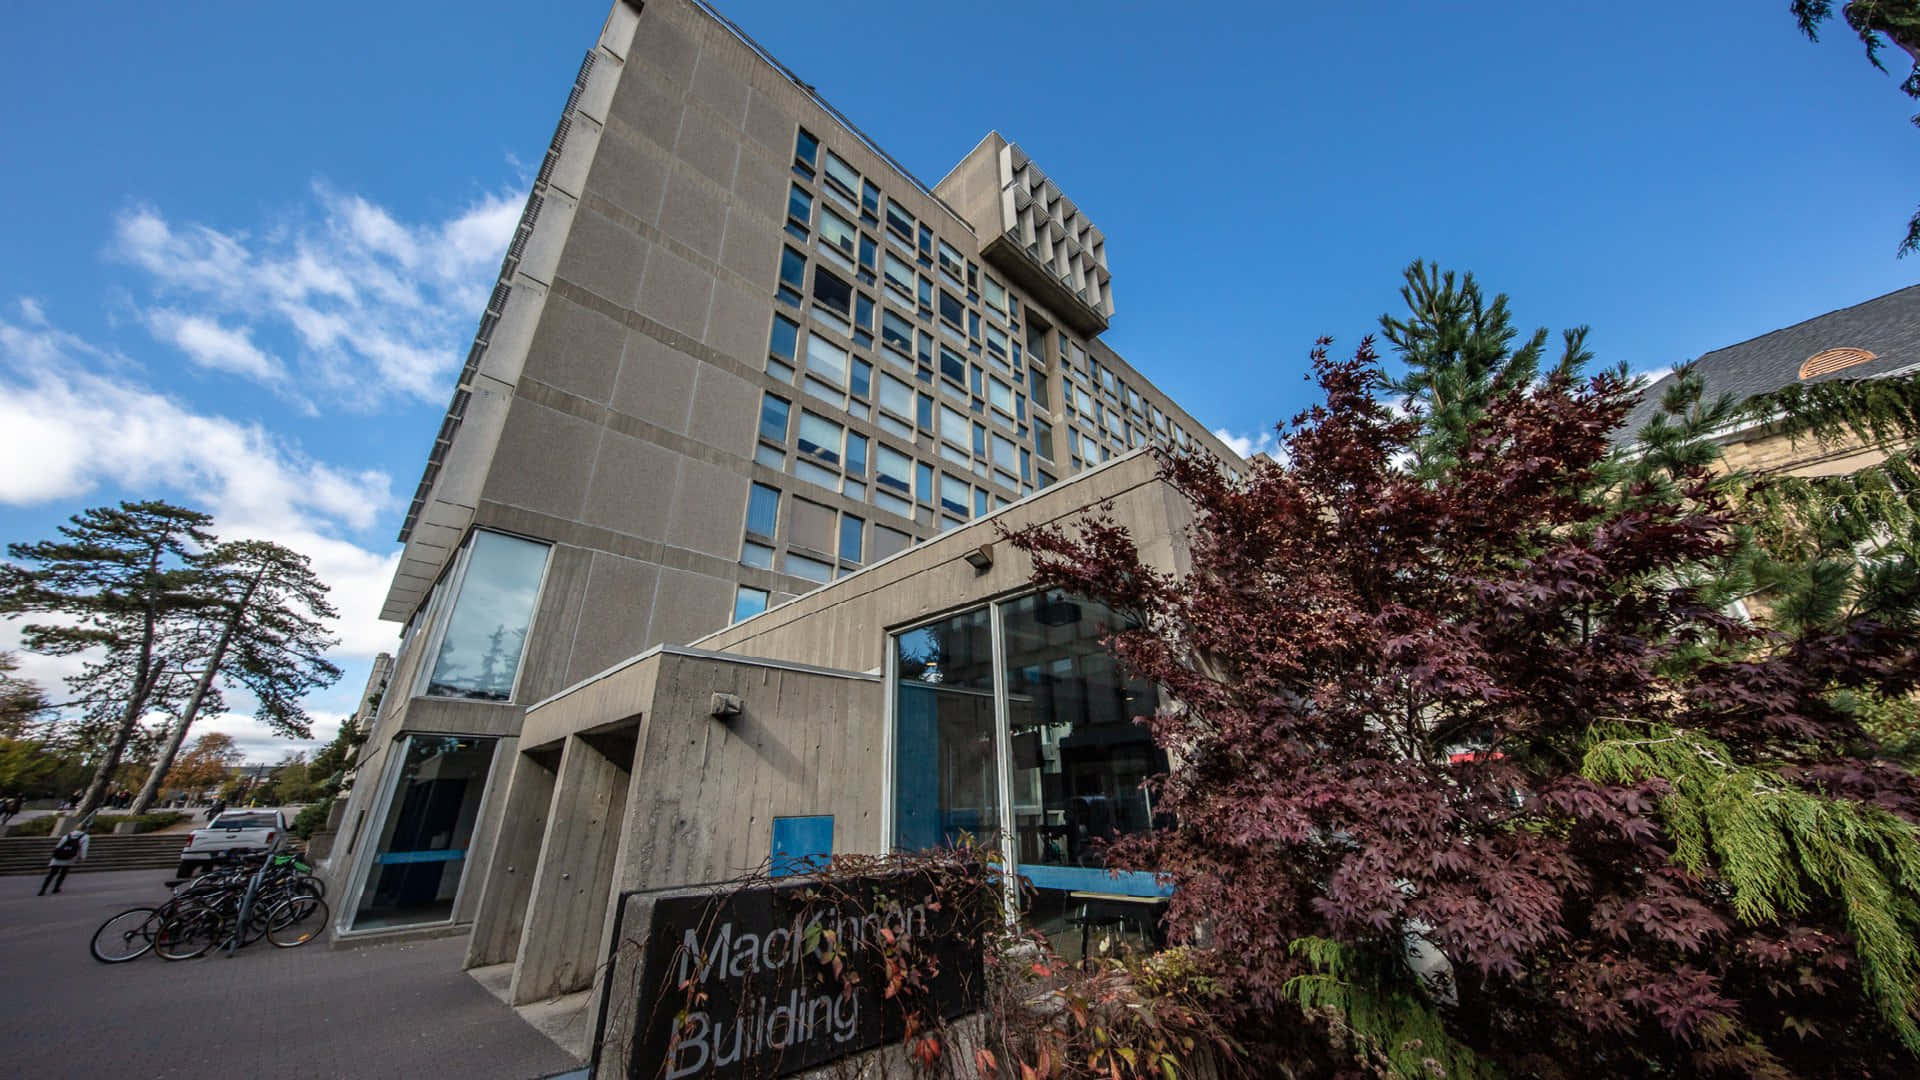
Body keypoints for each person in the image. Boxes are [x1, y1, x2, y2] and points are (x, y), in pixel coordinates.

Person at [40, 816, 91, 895]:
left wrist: (54, 854)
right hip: (69, 856)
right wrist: (83, 857)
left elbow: (59, 845)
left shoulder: (67, 835)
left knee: (51, 874)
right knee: (63, 873)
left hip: (58, 856)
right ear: (85, 829)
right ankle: (56, 888)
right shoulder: (85, 837)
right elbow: (84, 848)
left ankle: (42, 890)